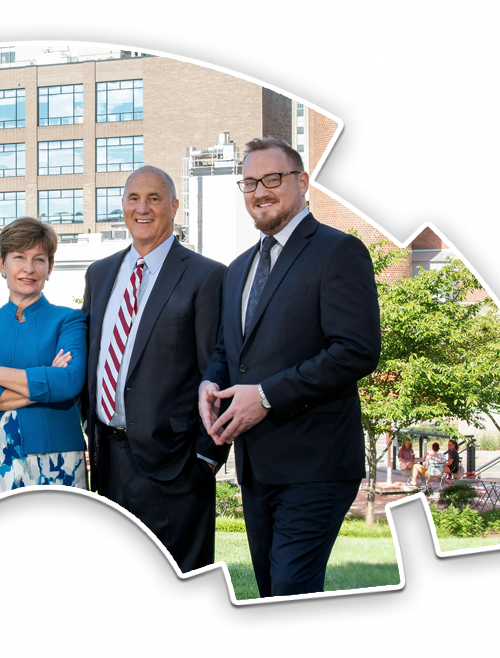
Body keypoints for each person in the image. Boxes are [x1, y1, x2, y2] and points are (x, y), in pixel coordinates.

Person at [199, 137, 381, 597]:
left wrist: (264, 396)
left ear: (301, 182)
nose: (260, 192)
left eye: (272, 180)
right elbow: (229, 350)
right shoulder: (237, 268)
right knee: (269, 598)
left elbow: (355, 350)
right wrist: (211, 381)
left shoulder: (339, 251)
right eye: (249, 183)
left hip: (315, 465)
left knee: (289, 597)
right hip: (256, 467)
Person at [82, 166, 228, 572]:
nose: (142, 208)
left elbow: (219, 365)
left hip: (177, 466)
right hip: (108, 462)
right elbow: (93, 357)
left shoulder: (206, 276)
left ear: (175, 207)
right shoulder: (100, 273)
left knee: (179, 589)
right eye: (133, 198)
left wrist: (207, 458)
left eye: (154, 198)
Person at [0, 218, 88, 506]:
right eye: (19, 257)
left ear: (49, 268)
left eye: (39, 259)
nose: (29, 268)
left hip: (57, 461)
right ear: (2, 264)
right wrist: (43, 383)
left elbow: (69, 381)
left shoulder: (69, 320)